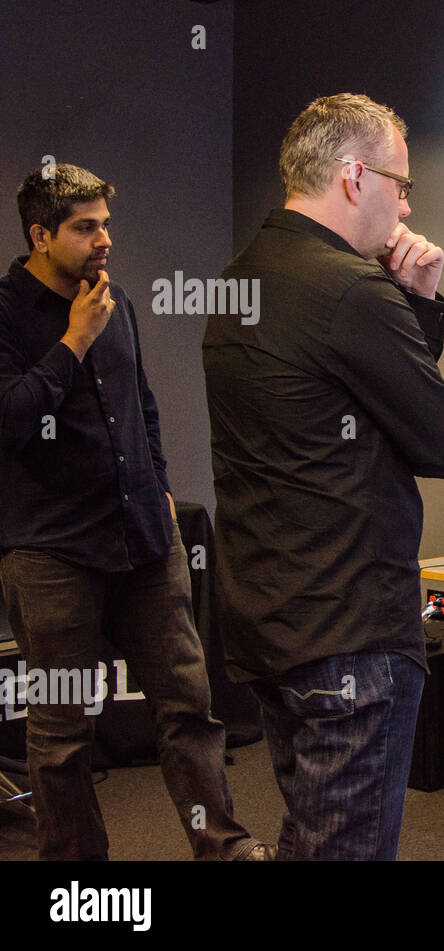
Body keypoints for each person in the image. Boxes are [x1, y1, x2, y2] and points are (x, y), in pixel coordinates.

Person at [203, 94, 444, 860]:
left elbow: (334, 418)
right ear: (355, 177)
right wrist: (412, 300)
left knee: (313, 834)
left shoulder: (236, 282)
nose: (407, 202)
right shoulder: (354, 291)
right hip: (351, 633)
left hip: (269, 623)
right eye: (401, 182)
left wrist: (406, 307)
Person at [0, 164, 268, 860]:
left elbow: (140, 402)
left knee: (189, 708)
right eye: (85, 227)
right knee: (60, 733)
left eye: (106, 224)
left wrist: (158, 478)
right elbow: (10, 422)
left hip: (146, 541)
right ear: (40, 233)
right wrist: (73, 342)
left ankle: (225, 845)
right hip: (51, 553)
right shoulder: (5, 313)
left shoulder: (114, 299)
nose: (104, 239)